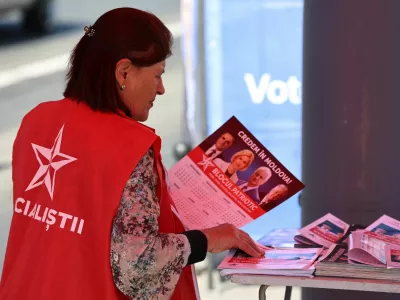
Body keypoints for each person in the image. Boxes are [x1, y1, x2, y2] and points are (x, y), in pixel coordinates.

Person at [0, 8, 264, 300]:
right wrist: (208, 239)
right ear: (123, 72)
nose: (161, 89)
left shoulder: (36, 121)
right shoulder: (130, 145)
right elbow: (137, 265)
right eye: (157, 75)